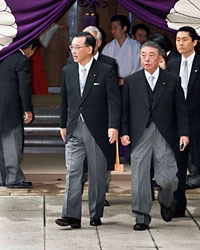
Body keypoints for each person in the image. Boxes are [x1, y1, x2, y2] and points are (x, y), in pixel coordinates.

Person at [121, 41, 189, 231]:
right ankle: (141, 216)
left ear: (160, 57)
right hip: (139, 133)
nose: (146, 59)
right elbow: (124, 110)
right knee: (139, 177)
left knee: (168, 179)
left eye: (151, 55)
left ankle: (166, 201)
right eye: (143, 55)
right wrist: (124, 132)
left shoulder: (172, 80)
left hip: (165, 133)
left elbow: (181, 110)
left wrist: (184, 133)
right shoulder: (131, 81)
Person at [55, 32, 121, 229]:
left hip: (98, 129)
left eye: (78, 47)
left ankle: (95, 213)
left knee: (97, 174)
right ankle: (71, 215)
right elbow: (64, 100)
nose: (74, 51)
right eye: (72, 47)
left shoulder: (105, 70)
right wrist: (63, 124)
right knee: (73, 171)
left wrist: (114, 126)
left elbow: (114, 101)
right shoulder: (68, 71)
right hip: (74, 128)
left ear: (90, 49)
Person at [167, 26, 200, 217]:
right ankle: (178, 206)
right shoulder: (172, 64)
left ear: (194, 42)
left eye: (184, 39)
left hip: (198, 121)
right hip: (178, 124)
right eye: (178, 39)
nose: (180, 43)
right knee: (177, 167)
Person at [0, 39, 38, 188]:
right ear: (30, 47)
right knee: (11, 143)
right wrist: (27, 109)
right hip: (10, 106)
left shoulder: (3, 55)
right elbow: (24, 87)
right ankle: (13, 179)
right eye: (34, 51)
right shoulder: (21, 60)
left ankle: (2, 178)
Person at [102, 15, 141, 86]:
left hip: (131, 83)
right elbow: (103, 66)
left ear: (124, 28)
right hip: (113, 82)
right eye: (111, 29)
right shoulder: (108, 47)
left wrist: (126, 81)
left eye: (115, 28)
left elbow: (138, 67)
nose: (113, 31)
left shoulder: (136, 46)